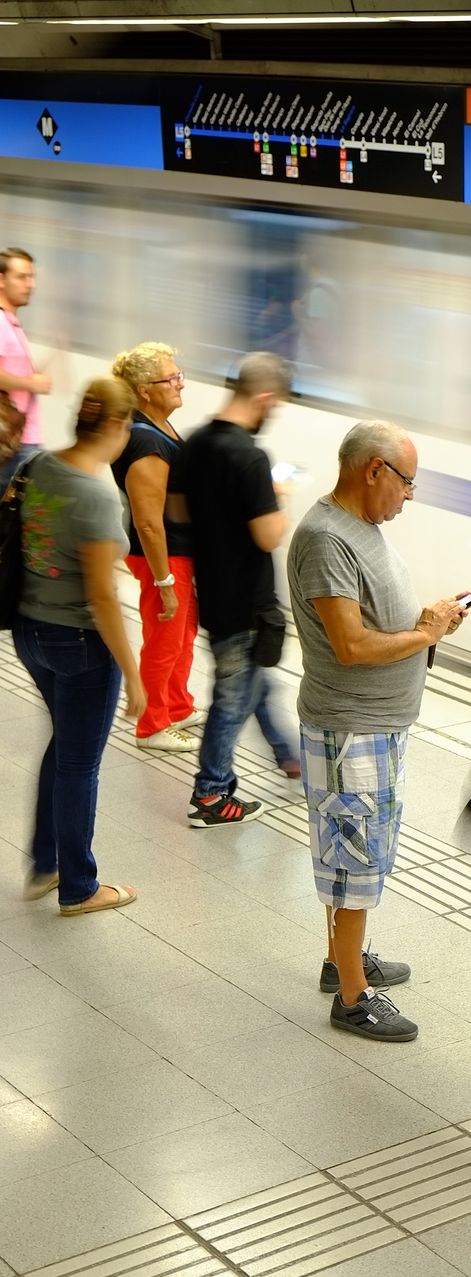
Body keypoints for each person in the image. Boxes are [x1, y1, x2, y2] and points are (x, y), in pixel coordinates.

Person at [287, 419, 465, 1043]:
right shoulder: (325, 538)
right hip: (350, 730)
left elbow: (371, 623)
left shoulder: (358, 529)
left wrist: (423, 621)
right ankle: (352, 998)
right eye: (407, 482)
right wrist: (427, 634)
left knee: (353, 853)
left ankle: (344, 960)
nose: (410, 495)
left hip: (374, 725)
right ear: (373, 470)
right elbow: (352, 645)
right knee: (354, 860)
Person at [13, 376, 145, 913]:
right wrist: (133, 673)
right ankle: (79, 887)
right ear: (115, 425)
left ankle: (45, 863)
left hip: (29, 631)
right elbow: (101, 597)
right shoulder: (96, 491)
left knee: (63, 744)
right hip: (80, 644)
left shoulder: (41, 464)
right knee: (79, 764)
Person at [169, 351, 291, 828]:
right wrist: (277, 499)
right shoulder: (250, 456)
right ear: (263, 397)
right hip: (246, 602)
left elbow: (177, 513)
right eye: (274, 406)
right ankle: (212, 794)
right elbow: (268, 536)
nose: (271, 414)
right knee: (232, 696)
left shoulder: (194, 442)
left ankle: (290, 755)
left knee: (252, 684)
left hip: (213, 593)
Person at [111, 341, 200, 753]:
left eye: (178, 375)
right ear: (145, 389)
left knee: (182, 634)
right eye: (171, 378)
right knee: (164, 638)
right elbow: (148, 522)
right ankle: (152, 725)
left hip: (177, 551)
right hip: (161, 556)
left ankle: (177, 706)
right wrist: (163, 579)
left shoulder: (160, 425)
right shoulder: (145, 441)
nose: (180, 383)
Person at [0, 247, 50, 493]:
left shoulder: (11, 322)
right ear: (1, 280)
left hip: (20, 438)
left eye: (32, 277)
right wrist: (32, 383)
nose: (30, 284)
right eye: (22, 277)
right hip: (12, 442)